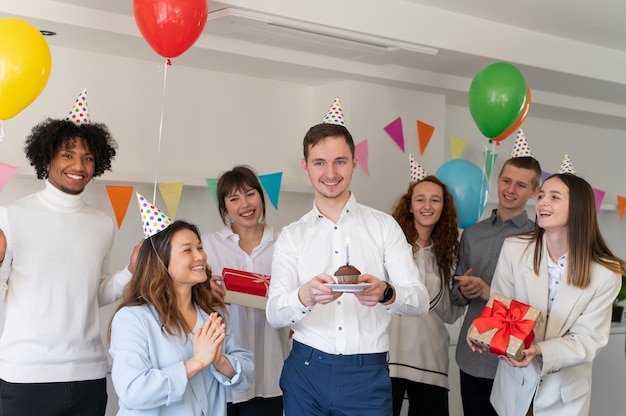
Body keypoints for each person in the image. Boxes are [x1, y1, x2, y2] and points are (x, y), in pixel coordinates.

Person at [265, 98, 429, 416]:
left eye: (340, 161)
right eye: (319, 162)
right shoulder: (292, 235)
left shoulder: (384, 226)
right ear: (305, 165)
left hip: (366, 376)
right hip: (305, 370)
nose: (330, 173)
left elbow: (419, 301)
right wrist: (305, 295)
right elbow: (274, 313)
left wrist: (387, 292)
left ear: (355, 162)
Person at [0, 115, 139, 415]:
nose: (78, 166)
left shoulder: (102, 224)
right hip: (26, 375)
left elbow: (95, 293)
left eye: (87, 157)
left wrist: (131, 271)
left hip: (88, 375)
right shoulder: (12, 216)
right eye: (67, 154)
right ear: (46, 159)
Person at [480, 172, 625, 416]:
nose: (542, 203)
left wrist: (539, 351)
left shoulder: (605, 273)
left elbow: (587, 340)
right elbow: (500, 310)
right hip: (514, 390)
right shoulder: (514, 250)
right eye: (542, 195)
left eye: (555, 197)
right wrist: (484, 333)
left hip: (564, 398)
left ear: (578, 208)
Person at [109, 219, 254, 415]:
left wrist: (218, 360)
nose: (200, 256)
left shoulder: (212, 314)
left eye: (200, 248)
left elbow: (246, 375)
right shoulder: (132, 319)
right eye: (188, 250)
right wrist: (198, 362)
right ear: (161, 259)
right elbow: (133, 391)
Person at [450, 148, 542, 416]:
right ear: (498, 180)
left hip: (515, 360)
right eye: (506, 181)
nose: (511, 189)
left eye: (521, 184)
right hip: (473, 357)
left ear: (534, 192)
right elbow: (455, 295)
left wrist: (492, 293)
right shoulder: (472, 234)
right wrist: (464, 290)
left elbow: (539, 305)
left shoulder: (539, 241)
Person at [202, 165, 290, 416]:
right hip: (222, 370)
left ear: (261, 197)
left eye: (250, 194)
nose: (245, 204)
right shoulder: (207, 245)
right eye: (234, 198)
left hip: (271, 371)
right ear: (224, 207)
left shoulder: (284, 242)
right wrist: (202, 290)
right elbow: (184, 294)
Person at [388, 174, 464, 416]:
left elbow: (449, 315)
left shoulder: (447, 254)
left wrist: (462, 292)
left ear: (444, 207)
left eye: (435, 200)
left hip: (430, 358)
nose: (428, 206)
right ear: (409, 205)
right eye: (420, 199)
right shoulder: (389, 247)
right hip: (390, 357)